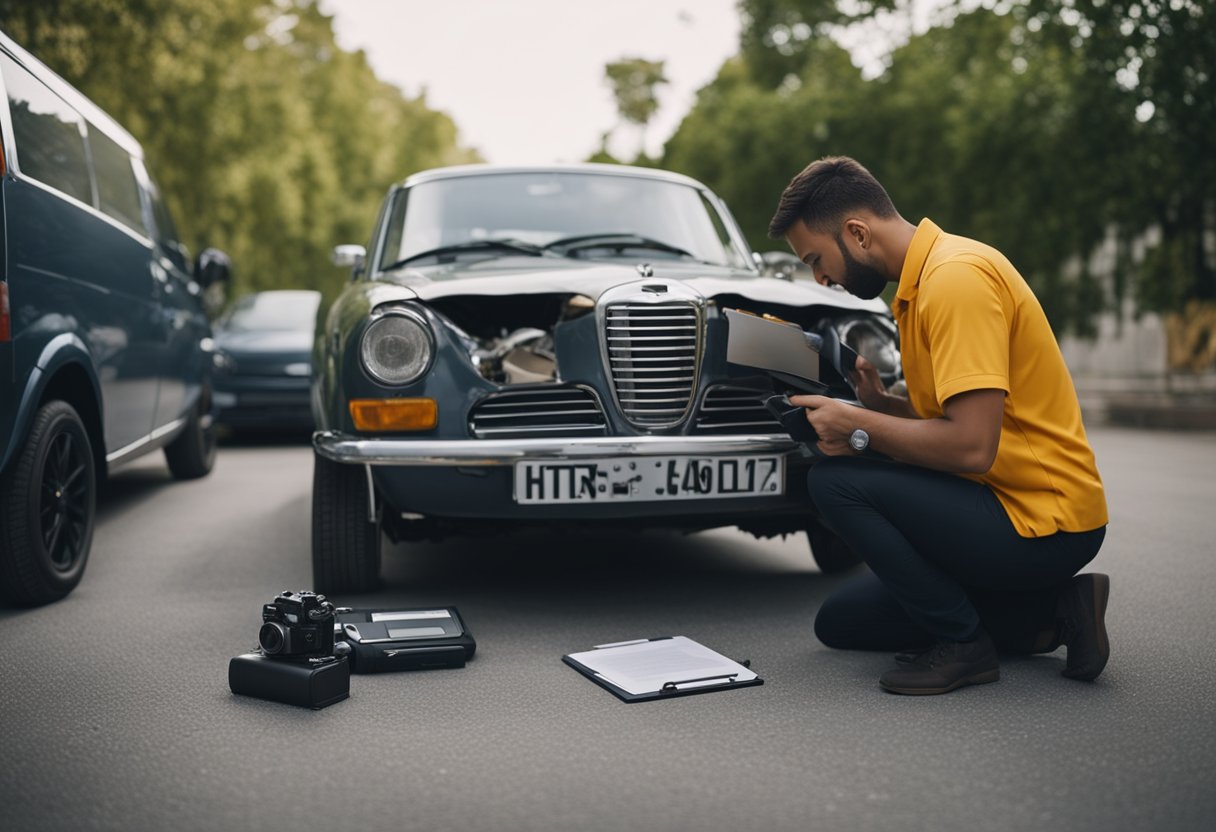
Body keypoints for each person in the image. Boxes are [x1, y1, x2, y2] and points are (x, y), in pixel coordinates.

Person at [768, 156, 1110, 695]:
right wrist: (877, 405)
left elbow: (972, 447)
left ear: (856, 233)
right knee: (841, 622)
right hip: (996, 501)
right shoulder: (917, 287)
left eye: (816, 258)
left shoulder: (956, 280)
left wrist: (858, 426)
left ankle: (966, 647)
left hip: (1042, 519)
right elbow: (947, 422)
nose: (819, 278)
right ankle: (1056, 609)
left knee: (833, 483)